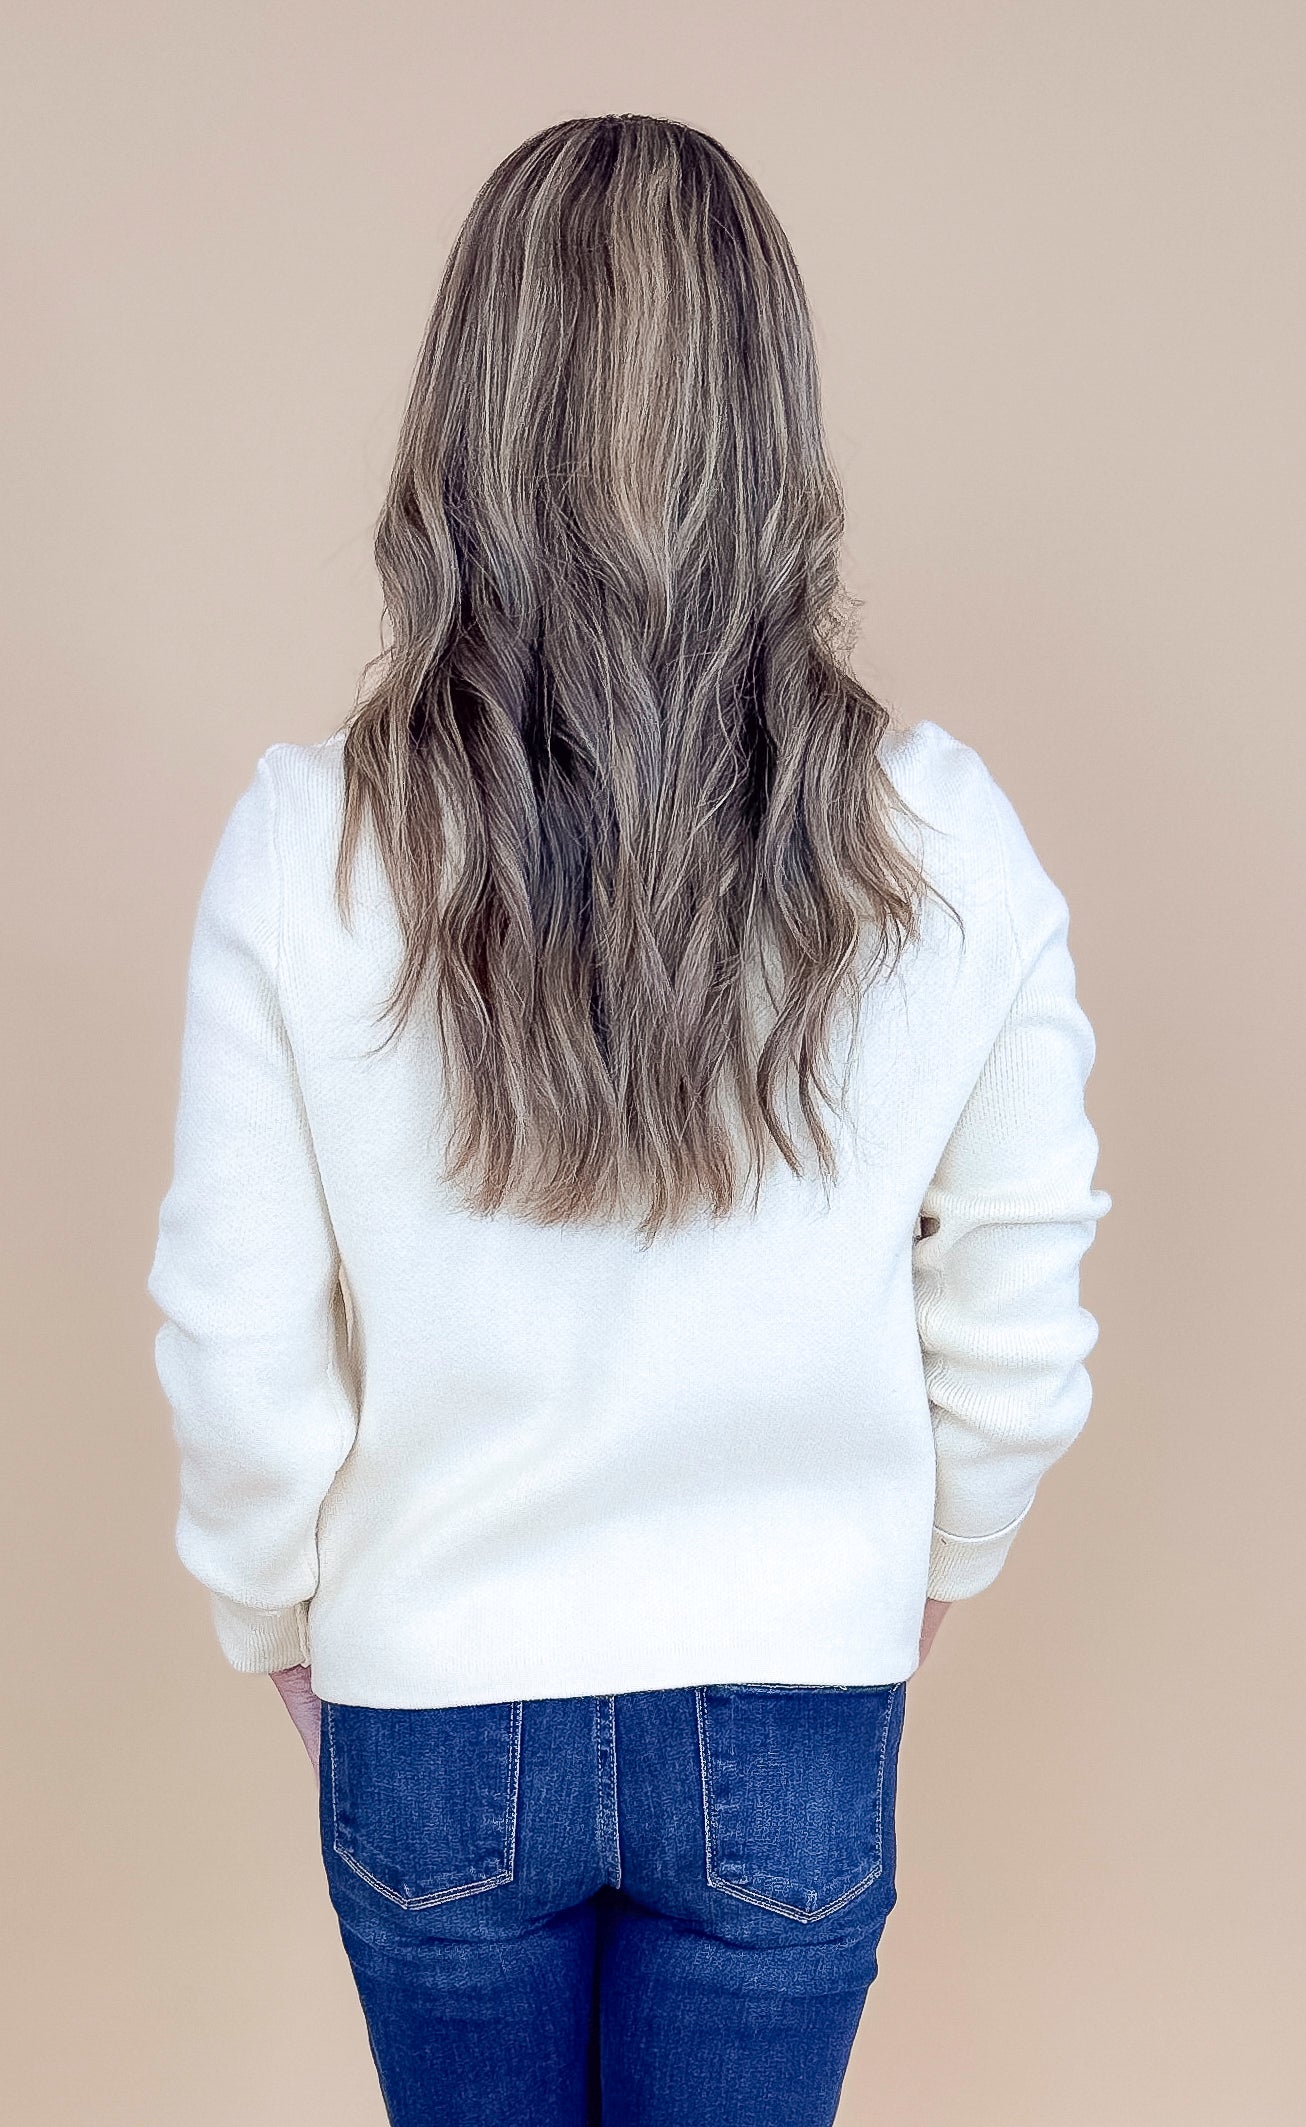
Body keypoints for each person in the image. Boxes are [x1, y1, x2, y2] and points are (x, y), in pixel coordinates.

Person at [147, 113, 1112, 2127]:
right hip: (795, 1699)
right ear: (777, 417)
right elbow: (1018, 1319)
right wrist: (903, 1582)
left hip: (432, 1705)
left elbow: (236, 1344)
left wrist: (285, 1626)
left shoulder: (306, 839)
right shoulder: (940, 834)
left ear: (460, 411)